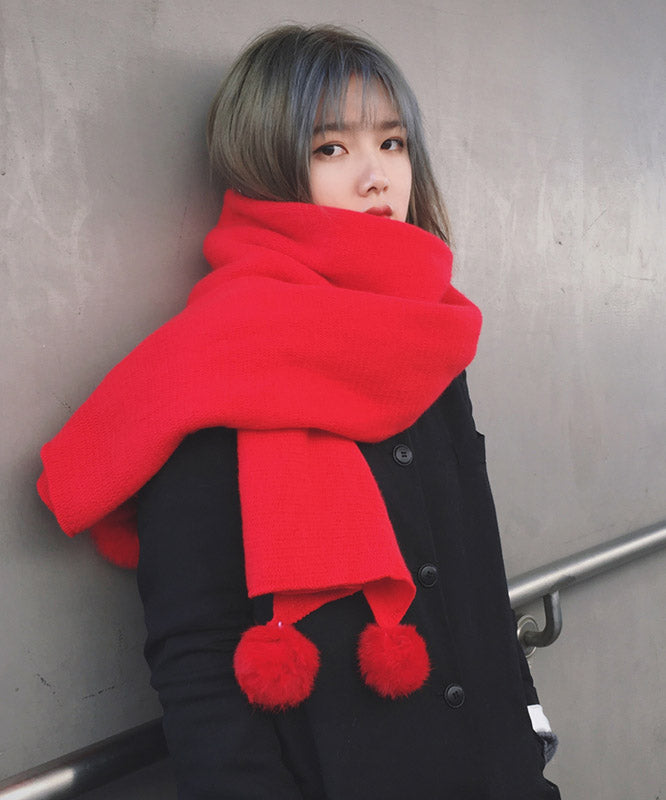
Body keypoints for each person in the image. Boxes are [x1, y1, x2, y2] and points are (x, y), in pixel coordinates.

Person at [37, 23, 560, 799]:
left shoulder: (428, 342)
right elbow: (198, 658)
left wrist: (529, 735)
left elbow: (475, 571)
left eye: (392, 143)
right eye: (332, 148)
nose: (377, 177)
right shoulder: (215, 365)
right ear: (267, 165)